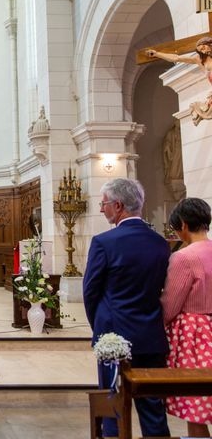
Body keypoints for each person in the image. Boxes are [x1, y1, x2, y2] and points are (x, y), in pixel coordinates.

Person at [83, 178, 171, 438]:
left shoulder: (104, 242)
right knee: (153, 407)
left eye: (104, 204)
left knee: (113, 402)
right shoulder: (160, 243)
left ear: (118, 205)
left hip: (114, 338)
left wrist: (100, 327)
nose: (102, 209)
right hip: (150, 336)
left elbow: (90, 292)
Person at [160, 198, 212, 438]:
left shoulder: (184, 257)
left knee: (196, 403)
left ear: (182, 224)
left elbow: (171, 305)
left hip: (196, 334)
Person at [147, 37, 212, 105]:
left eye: (203, 48)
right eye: (201, 50)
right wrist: (157, 54)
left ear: (210, 44)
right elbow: (176, 58)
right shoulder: (200, 59)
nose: (203, 51)